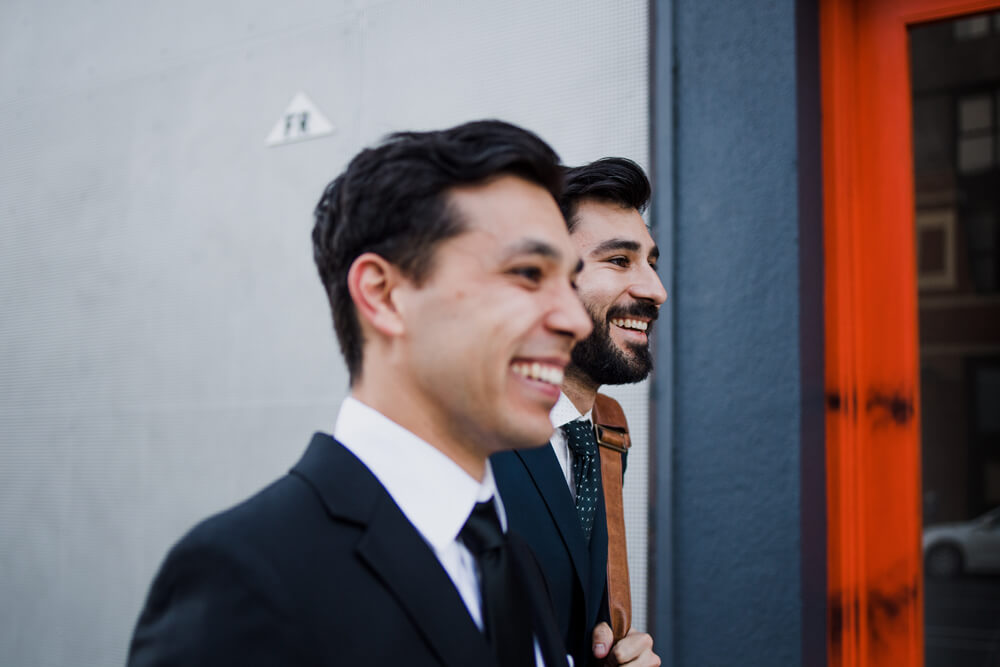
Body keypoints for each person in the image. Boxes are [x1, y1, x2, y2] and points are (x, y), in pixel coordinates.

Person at [126, 120, 594, 667]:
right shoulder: (246, 575)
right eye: (529, 273)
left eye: (570, 281)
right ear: (385, 295)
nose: (574, 321)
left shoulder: (514, 560)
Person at [493, 158, 665, 667]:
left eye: (651, 262)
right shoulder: (469, 442)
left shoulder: (604, 435)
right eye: (618, 260)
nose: (655, 289)